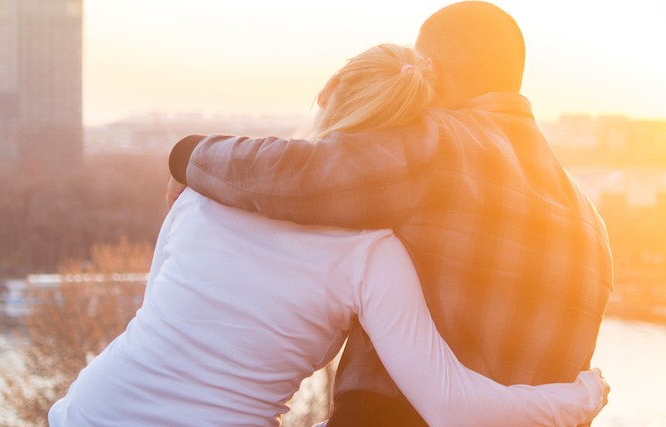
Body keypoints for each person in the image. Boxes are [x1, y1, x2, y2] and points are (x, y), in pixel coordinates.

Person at [50, 44, 607, 426]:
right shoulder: (373, 255)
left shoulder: (205, 189)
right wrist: (577, 397)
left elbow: (159, 322)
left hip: (90, 409)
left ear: (327, 91)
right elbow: (453, 406)